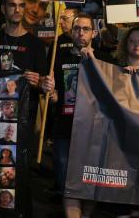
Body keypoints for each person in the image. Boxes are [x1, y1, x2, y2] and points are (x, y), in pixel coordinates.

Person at [42, 13, 98, 218]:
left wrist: (92, 60)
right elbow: (54, 96)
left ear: (94, 32)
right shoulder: (58, 57)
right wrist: (50, 91)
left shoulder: (104, 59)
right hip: (65, 128)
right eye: (76, 29)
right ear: (71, 32)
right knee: (68, 180)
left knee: (91, 180)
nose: (81, 33)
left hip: (94, 131)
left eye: (85, 29)